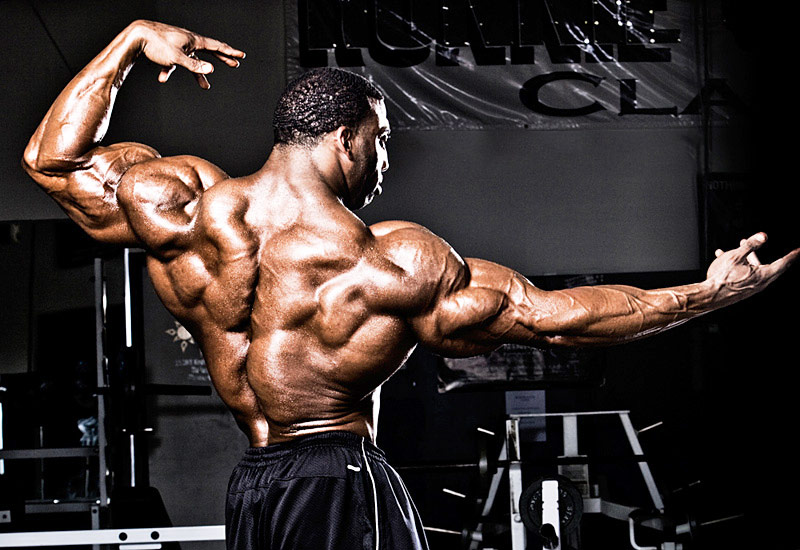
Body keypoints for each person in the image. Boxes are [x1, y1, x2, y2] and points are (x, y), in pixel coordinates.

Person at [22, 20, 796, 550]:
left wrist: (126, 44)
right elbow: (553, 318)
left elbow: (52, 162)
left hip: (255, 484)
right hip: (339, 479)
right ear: (343, 138)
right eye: (381, 140)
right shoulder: (385, 261)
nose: (384, 160)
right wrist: (710, 294)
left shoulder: (183, 211)